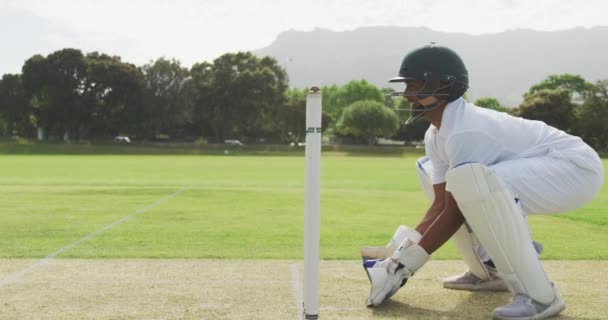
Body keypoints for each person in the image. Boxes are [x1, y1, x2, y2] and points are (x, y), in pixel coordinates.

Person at [361, 42, 604, 320]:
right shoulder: (436, 134)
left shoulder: (465, 130)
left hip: (574, 169)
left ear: (443, 87)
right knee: (445, 178)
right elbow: (441, 204)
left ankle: (541, 297)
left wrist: (406, 266)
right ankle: (489, 271)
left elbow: (455, 210)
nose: (406, 95)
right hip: (549, 167)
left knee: (473, 184)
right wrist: (397, 257)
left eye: (414, 86)